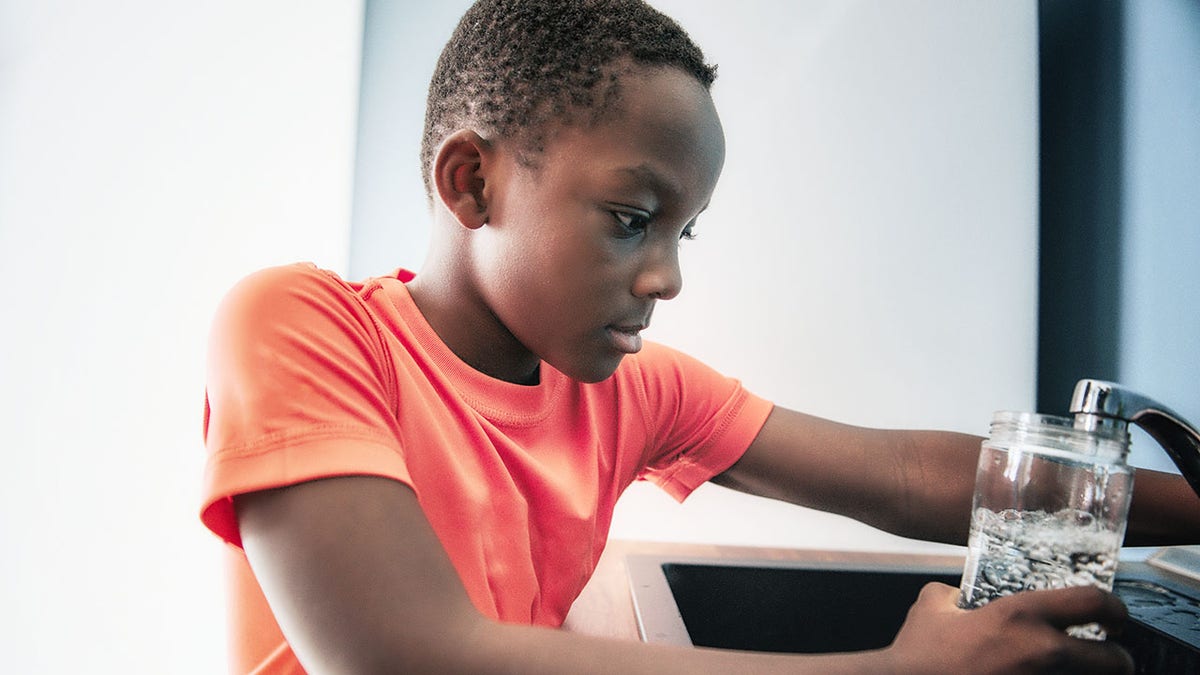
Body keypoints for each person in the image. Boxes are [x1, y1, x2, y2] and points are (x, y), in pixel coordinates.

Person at [199, 1, 1200, 672]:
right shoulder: (300, 326)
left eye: (684, 232)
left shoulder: (629, 389)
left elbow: (896, 475)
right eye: (632, 218)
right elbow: (410, 649)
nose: (667, 278)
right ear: (473, 183)